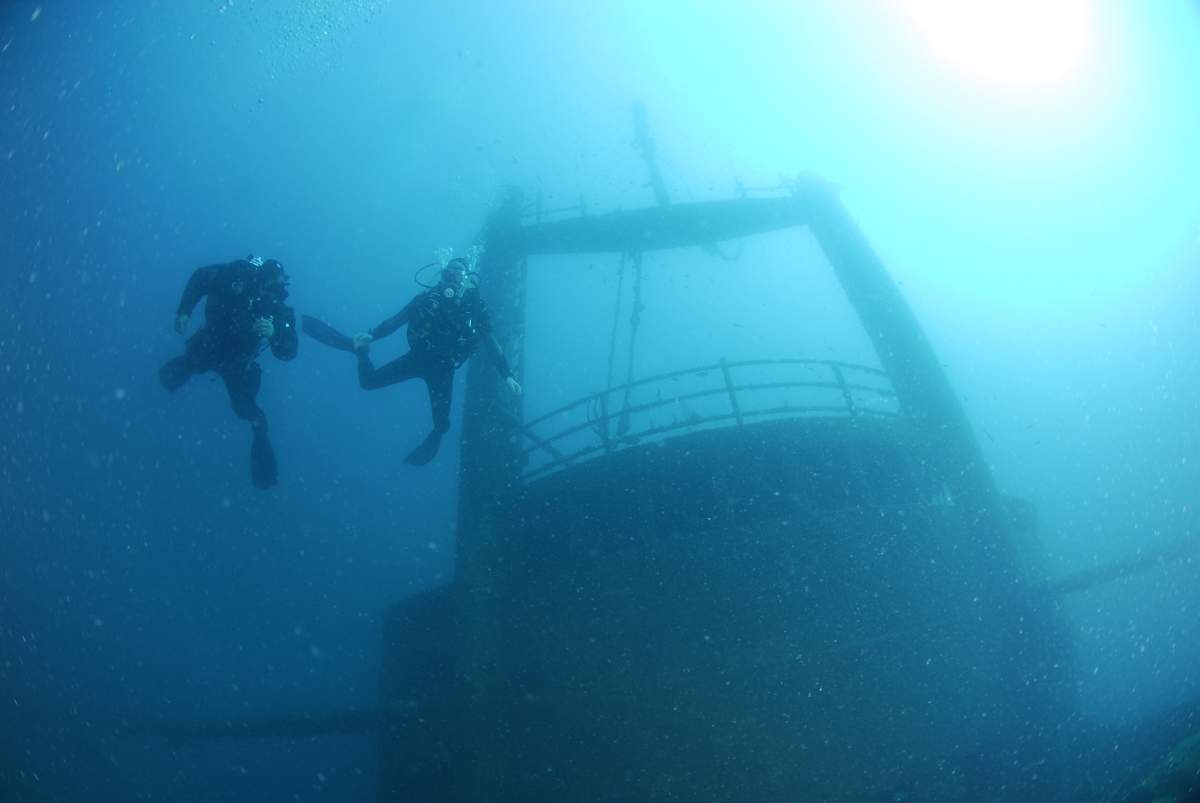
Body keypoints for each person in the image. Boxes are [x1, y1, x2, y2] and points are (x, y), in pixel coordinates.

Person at [302, 257, 521, 466]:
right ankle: (360, 352)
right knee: (368, 382)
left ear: (466, 279)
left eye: (458, 275)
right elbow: (395, 321)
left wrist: (507, 374)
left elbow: (491, 343)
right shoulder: (425, 299)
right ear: (442, 276)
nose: (452, 279)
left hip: (443, 369)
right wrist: (373, 336)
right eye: (448, 274)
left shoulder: (474, 308)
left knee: (442, 425)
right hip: (418, 358)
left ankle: (431, 443)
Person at [159, 255, 298, 489]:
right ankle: (185, 368)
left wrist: (275, 335)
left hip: (239, 363)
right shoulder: (236, 276)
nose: (265, 291)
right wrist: (184, 311)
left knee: (248, 410)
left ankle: (261, 444)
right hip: (209, 345)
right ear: (257, 275)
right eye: (264, 283)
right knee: (172, 374)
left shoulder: (278, 310)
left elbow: (289, 351)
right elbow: (201, 278)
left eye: (272, 286)